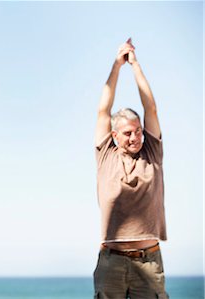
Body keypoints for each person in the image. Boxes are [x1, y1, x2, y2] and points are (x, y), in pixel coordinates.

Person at [93, 39, 168, 299]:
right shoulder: (106, 155)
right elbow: (103, 109)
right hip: (111, 262)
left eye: (138, 131)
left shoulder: (152, 153)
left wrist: (135, 65)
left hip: (149, 262)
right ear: (114, 135)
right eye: (128, 133)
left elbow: (151, 108)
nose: (135, 137)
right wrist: (117, 65)